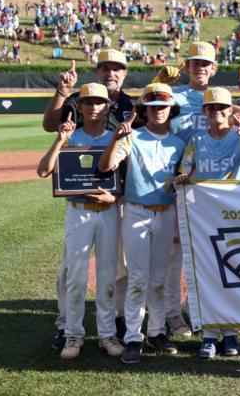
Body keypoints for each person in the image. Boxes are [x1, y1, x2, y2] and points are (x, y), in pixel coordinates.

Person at [45, 49, 135, 350]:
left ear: (124, 73)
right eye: (105, 67)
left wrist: (117, 194)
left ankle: (110, 329)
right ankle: (69, 329)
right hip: (79, 206)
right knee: (73, 272)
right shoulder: (76, 102)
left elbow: (127, 164)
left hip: (112, 204)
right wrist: (62, 92)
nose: (111, 72)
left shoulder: (129, 104)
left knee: (113, 270)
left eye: (116, 68)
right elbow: (50, 128)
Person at [174, 87, 240, 358]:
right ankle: (209, 334)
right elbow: (185, 169)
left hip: (235, 213)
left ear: (231, 110)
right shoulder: (197, 139)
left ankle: (230, 333)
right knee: (207, 274)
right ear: (204, 111)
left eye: (222, 107)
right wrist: (182, 178)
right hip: (204, 214)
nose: (217, 111)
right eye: (211, 107)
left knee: (233, 272)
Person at [98, 83, 185, 364]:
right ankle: (133, 336)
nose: (158, 111)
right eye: (153, 107)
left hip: (165, 212)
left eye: (163, 107)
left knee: (158, 278)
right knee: (138, 277)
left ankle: (157, 331)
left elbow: (181, 179)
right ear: (144, 111)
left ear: (170, 110)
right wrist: (115, 139)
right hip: (136, 212)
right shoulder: (132, 137)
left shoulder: (179, 144)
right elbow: (105, 167)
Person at [37, 83, 123, 359]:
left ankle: (107, 335)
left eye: (98, 102)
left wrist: (115, 200)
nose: (93, 107)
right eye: (88, 102)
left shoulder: (116, 136)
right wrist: (60, 139)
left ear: (107, 105)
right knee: (75, 276)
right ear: (80, 106)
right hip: (79, 211)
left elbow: (125, 181)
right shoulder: (71, 137)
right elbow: (43, 170)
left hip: (109, 212)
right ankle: (73, 336)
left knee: (108, 275)